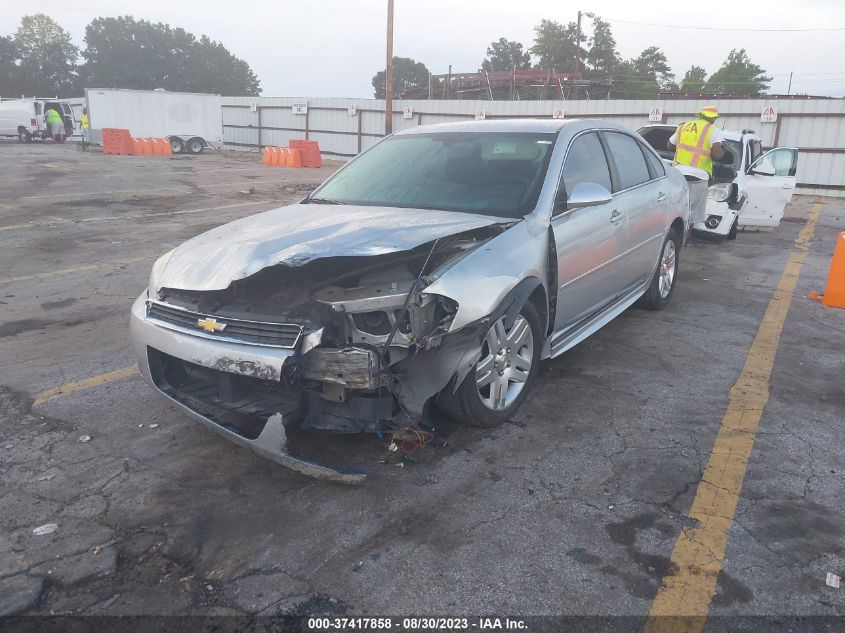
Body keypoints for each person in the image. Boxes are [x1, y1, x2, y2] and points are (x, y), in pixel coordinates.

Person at [667, 105, 725, 179]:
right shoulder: (713, 130)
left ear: (700, 115)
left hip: (678, 171)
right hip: (699, 175)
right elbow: (717, 156)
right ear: (713, 118)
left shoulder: (684, 125)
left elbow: (669, 145)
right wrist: (724, 150)